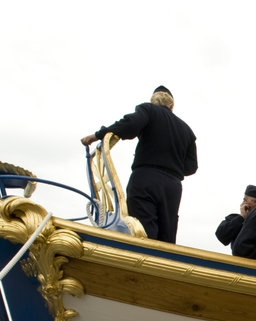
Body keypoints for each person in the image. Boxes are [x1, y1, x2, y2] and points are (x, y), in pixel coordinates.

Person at [81, 85, 198, 244]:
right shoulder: (187, 130)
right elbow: (191, 167)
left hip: (146, 179)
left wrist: (97, 135)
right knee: (167, 238)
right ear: (172, 105)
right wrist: (171, 167)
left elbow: (130, 125)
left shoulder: (148, 110)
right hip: (172, 186)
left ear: (153, 101)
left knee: (141, 233)